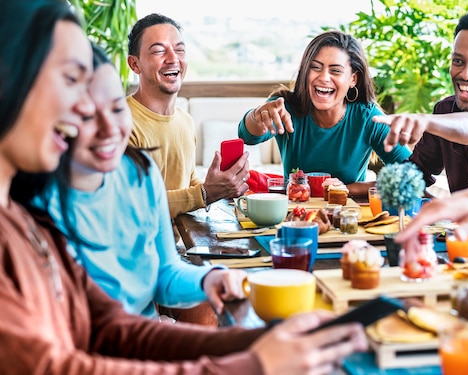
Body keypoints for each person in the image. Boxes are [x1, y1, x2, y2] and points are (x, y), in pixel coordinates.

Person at [2, 1, 368, 373]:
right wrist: (251, 363)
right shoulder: (40, 205)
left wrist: (257, 341)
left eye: (112, 107)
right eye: (65, 81)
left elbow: (110, 327)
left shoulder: (26, 219)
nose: (78, 113)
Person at [27, 44, 246, 320]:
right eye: (88, 115)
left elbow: (164, 274)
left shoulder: (141, 174)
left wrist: (210, 280)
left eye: (116, 108)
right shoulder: (39, 203)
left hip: (144, 337)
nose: (109, 129)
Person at [237, 30, 411, 197]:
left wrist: (348, 189)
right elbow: (247, 136)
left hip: (347, 218)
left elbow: (412, 176)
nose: (324, 77)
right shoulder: (286, 107)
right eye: (315, 68)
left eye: (335, 70)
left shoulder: (368, 118)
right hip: (294, 216)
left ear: (353, 79)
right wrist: (257, 116)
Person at [375, 8, 468, 194]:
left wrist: (425, 121)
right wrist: (351, 189)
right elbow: (415, 174)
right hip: (458, 223)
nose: (466, 74)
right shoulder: (444, 110)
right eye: (458, 61)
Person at [126, 13, 249, 219]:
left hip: (181, 245)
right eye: (158, 51)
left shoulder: (185, 121)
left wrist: (221, 187)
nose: (173, 59)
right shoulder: (120, 124)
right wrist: (205, 193)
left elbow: (188, 182)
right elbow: (133, 204)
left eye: (179, 50)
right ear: (135, 64)